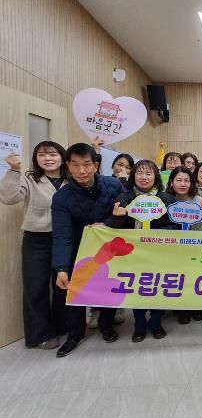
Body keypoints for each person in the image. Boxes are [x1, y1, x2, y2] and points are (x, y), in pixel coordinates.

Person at [52, 143, 124, 357]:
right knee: (74, 289)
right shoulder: (62, 197)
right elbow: (62, 234)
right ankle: (75, 334)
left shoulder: (114, 186)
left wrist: (108, 223)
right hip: (77, 248)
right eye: (75, 165)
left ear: (96, 165)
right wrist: (61, 268)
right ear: (67, 166)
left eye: (86, 164)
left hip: (108, 248)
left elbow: (126, 214)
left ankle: (106, 324)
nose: (81, 170)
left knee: (108, 286)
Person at [0, 141, 68, 350]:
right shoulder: (29, 178)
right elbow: (9, 198)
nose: (47, 158)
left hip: (66, 239)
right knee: (35, 287)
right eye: (42, 154)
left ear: (62, 157)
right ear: (35, 159)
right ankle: (41, 334)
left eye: (53, 154)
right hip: (37, 240)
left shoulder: (71, 179)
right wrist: (14, 170)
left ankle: (62, 326)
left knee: (63, 286)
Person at [105, 160, 177, 342]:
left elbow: (176, 226)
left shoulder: (168, 199)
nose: (144, 177)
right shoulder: (123, 198)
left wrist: (154, 235)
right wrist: (117, 218)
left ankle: (156, 322)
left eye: (148, 173)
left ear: (155, 177)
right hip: (132, 255)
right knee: (138, 288)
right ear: (133, 176)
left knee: (158, 287)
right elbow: (112, 228)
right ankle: (139, 323)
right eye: (139, 173)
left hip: (159, 254)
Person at [166, 166, 202, 324]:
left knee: (195, 277)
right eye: (179, 180)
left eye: (186, 180)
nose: (183, 184)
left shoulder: (199, 201)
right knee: (178, 278)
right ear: (171, 182)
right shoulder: (165, 200)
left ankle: (197, 305)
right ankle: (181, 308)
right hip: (172, 250)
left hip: (195, 248)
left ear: (191, 183)